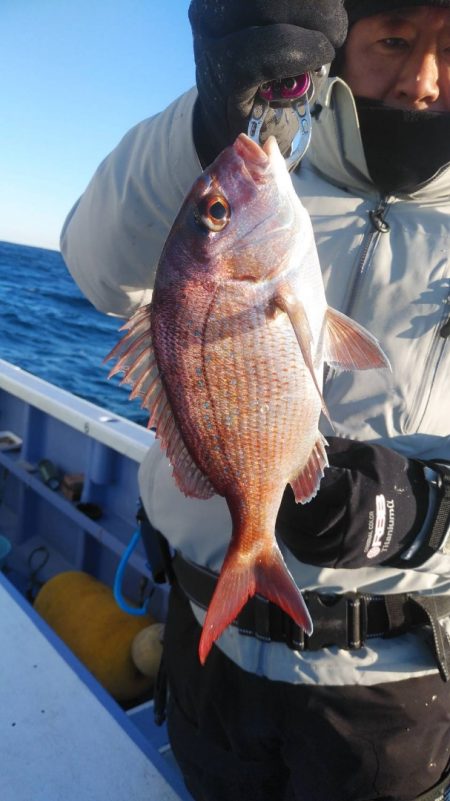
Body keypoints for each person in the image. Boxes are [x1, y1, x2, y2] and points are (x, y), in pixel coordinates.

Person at [61, 2, 450, 799]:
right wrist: (204, 122)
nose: (421, 80)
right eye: (394, 40)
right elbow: (94, 266)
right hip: (209, 658)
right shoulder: (255, 153)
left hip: (387, 697)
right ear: (344, 39)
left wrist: (425, 509)